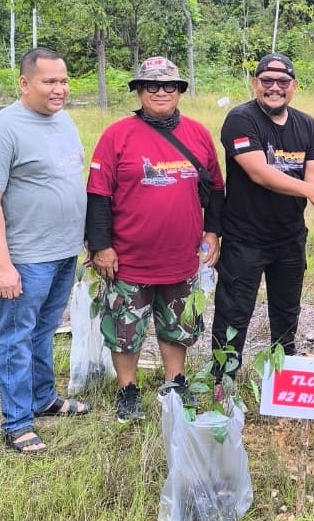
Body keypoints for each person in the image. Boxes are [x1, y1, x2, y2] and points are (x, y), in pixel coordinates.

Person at [85, 56, 225, 423]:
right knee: (125, 330)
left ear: (179, 91)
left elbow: (216, 188)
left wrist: (213, 231)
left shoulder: (198, 134)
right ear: (139, 91)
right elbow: (98, 194)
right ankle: (127, 390)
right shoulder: (117, 135)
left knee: (177, 326)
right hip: (129, 258)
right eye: (151, 85)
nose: (160, 92)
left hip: (182, 256)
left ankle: (175, 383)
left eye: (169, 86)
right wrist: (100, 246)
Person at [0, 47, 90, 454]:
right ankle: (17, 421)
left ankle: (43, 398)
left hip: (65, 252)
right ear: (24, 83)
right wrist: (3, 265)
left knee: (44, 330)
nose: (60, 89)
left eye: (64, 81)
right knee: (17, 337)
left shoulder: (64, 121)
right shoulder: (1, 129)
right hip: (27, 257)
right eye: (49, 81)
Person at [210, 53, 314, 387]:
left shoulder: (307, 124)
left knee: (286, 312)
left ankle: (283, 380)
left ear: (293, 86)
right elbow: (260, 172)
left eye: (282, 81)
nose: (274, 88)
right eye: (267, 81)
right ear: (255, 83)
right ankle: (222, 383)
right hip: (245, 239)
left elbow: (313, 176)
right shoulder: (240, 119)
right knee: (233, 313)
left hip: (289, 237)